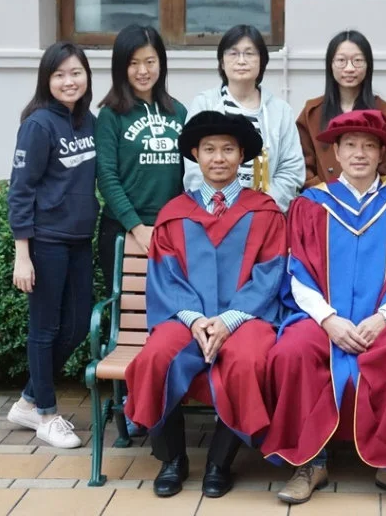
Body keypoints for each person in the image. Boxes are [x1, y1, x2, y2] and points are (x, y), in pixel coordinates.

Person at [262, 110, 386, 507]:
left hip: (384, 319)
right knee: (291, 351)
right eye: (350, 146)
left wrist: (385, 317)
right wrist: (328, 320)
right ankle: (309, 462)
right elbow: (297, 272)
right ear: (336, 154)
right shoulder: (310, 205)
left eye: (369, 145)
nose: (359, 153)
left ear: (381, 155)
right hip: (321, 318)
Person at [124, 111, 287, 498]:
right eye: (209, 149)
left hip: (246, 319)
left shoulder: (264, 212)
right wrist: (197, 320)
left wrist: (228, 321)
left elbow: (270, 275)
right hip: (186, 319)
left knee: (248, 361)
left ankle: (219, 462)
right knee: (155, 357)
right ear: (195, 154)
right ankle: (172, 460)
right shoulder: (174, 213)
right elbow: (166, 276)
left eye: (228, 149)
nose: (218, 158)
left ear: (242, 155)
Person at [6, 42, 98, 449]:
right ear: (47, 79)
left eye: (75, 72)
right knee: (44, 329)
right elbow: (20, 191)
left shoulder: (89, 121)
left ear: (86, 77)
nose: (68, 81)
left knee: (78, 325)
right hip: (46, 241)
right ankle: (45, 413)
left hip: (79, 240)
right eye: (59, 74)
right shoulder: (39, 125)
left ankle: (28, 398)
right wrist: (22, 254)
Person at [95, 24, 187, 294]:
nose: (143, 71)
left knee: (171, 311)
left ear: (161, 62)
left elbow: (188, 174)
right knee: (130, 314)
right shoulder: (111, 116)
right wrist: (136, 226)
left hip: (170, 229)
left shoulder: (178, 111)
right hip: (123, 232)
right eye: (133, 63)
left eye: (150, 61)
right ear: (121, 67)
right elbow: (107, 178)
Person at [183, 24, 304, 211]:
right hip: (212, 213)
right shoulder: (204, 104)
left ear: (262, 61)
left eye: (249, 53)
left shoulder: (280, 111)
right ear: (222, 62)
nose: (241, 61)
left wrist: (259, 207)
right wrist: (219, 207)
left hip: (263, 216)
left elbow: (291, 171)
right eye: (233, 53)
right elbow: (193, 168)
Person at [296, 30, 386, 188]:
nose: (349, 68)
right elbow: (302, 165)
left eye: (357, 60)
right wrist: (326, 194)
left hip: (372, 202)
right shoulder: (312, 112)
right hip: (324, 202)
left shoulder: (385, 111)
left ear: (368, 65)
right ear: (330, 64)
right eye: (341, 61)